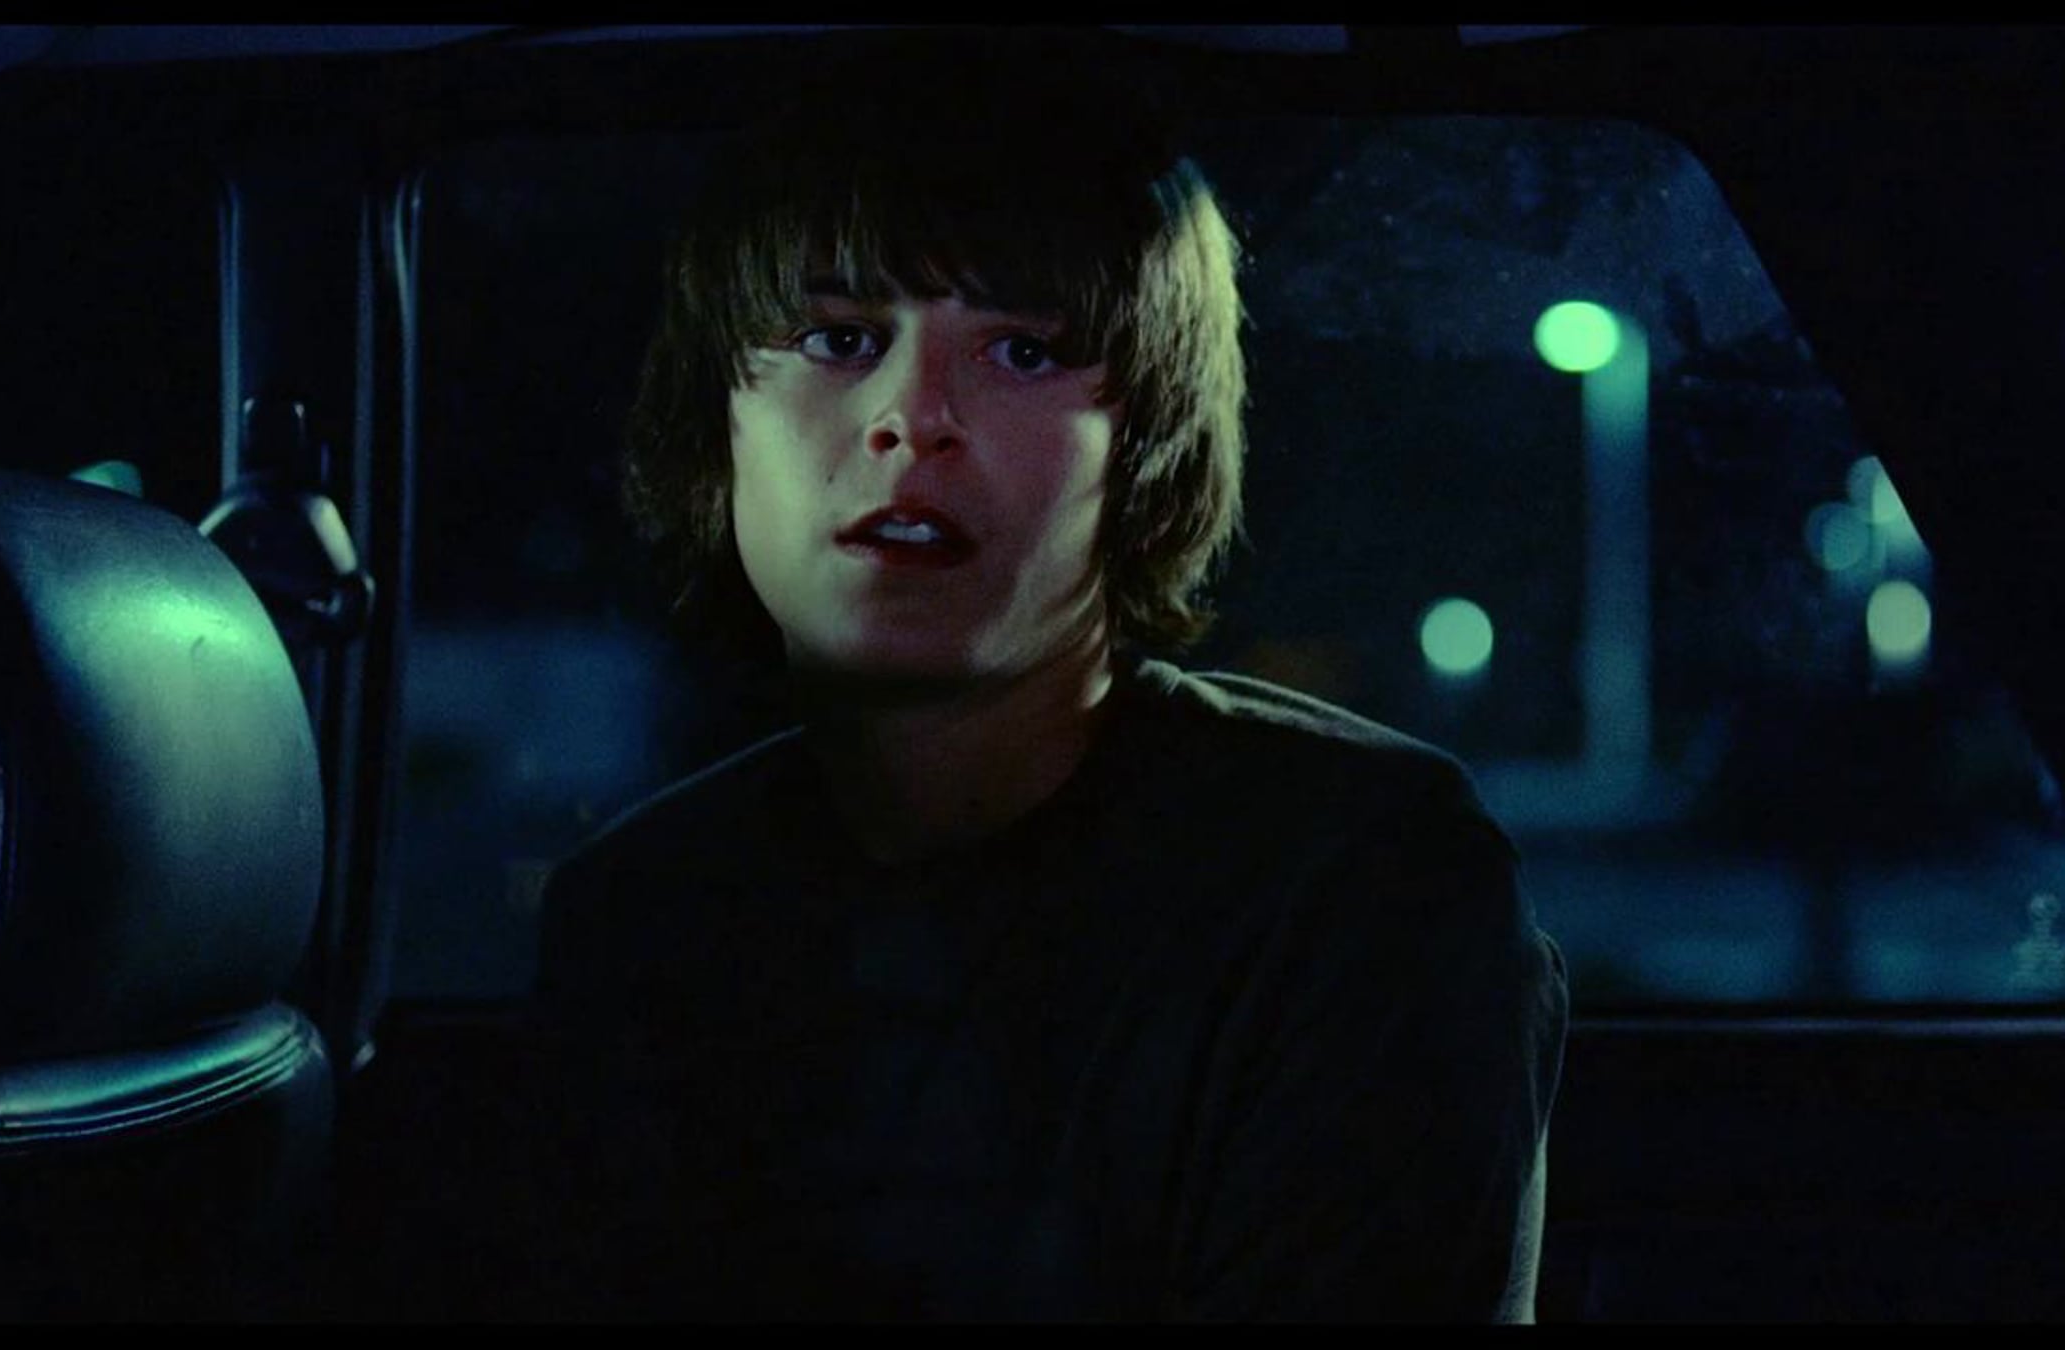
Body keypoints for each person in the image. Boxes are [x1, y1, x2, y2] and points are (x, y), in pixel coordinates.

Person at [533, 31, 1568, 1322]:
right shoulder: (640, 910)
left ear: (1144, 444)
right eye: (838, 337)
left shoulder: (1354, 883)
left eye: (1021, 350)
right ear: (722, 420)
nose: (915, 418)